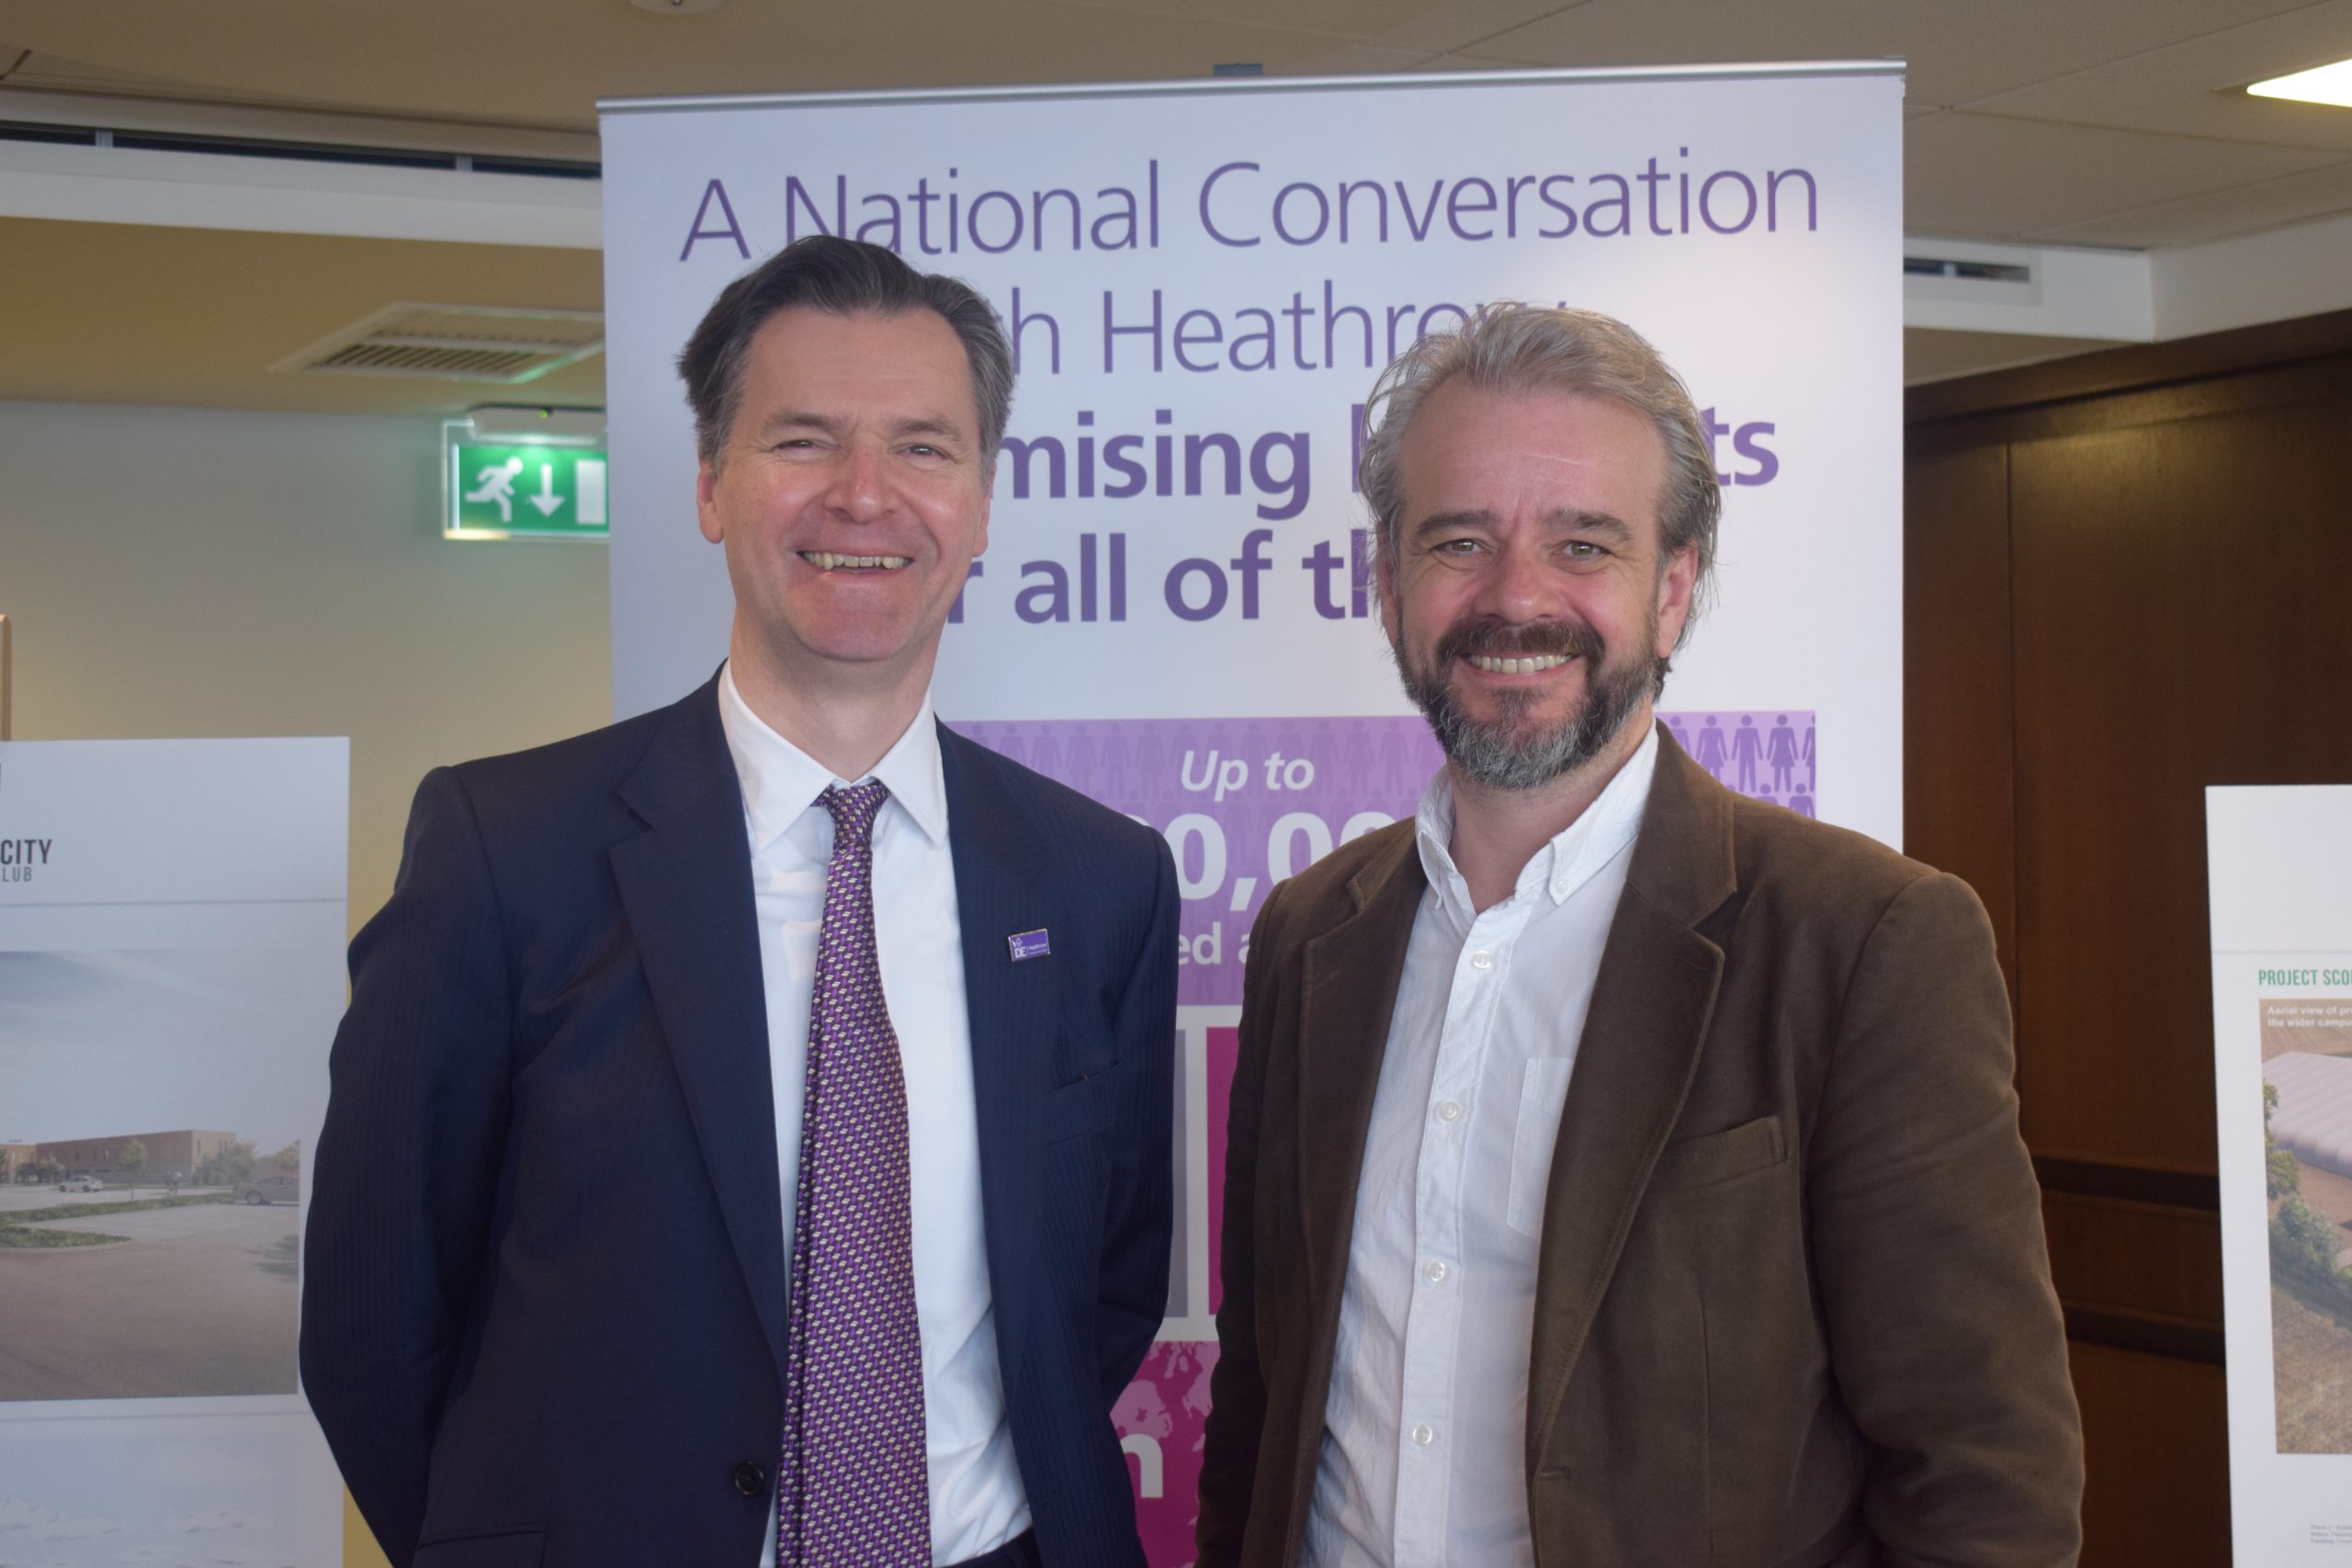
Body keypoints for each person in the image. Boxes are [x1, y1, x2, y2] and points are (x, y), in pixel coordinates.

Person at [302, 235, 1179, 1568]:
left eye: (924, 448)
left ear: (984, 502)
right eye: (804, 441)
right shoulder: (506, 852)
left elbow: (1101, 1294)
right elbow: (375, 1318)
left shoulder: (1101, 880)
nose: (865, 496)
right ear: (713, 484)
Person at [1196, 305, 2082, 1566]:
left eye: (1582, 544)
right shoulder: (1310, 934)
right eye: (1460, 541)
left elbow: (1985, 1477)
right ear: (1389, 585)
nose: (1517, 596)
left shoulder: (1863, 942)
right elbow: (1261, 1398)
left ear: (1671, 593)